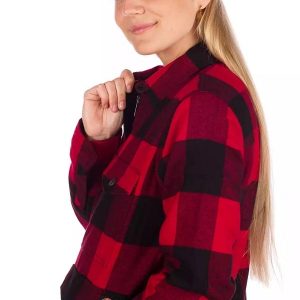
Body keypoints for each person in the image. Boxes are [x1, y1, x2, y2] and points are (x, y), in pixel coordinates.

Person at [60, 0, 276, 299]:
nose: (128, 10)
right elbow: (111, 230)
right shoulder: (164, 95)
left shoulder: (205, 105)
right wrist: (101, 141)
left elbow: (196, 286)